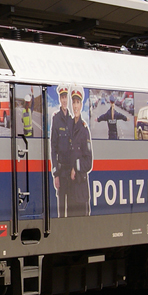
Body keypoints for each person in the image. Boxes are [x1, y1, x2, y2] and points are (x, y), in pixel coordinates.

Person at [63, 86, 93, 216]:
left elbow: (88, 161)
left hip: (80, 190)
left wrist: (76, 167)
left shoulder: (84, 130)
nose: (75, 106)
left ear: (81, 105)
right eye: (73, 102)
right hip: (70, 190)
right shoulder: (68, 126)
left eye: (78, 102)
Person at [50, 85, 74, 215]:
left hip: (71, 172)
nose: (64, 100)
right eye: (62, 97)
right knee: (61, 208)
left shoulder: (72, 121)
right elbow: (53, 148)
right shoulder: (56, 119)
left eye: (66, 98)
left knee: (71, 208)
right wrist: (55, 175)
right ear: (59, 99)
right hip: (61, 171)